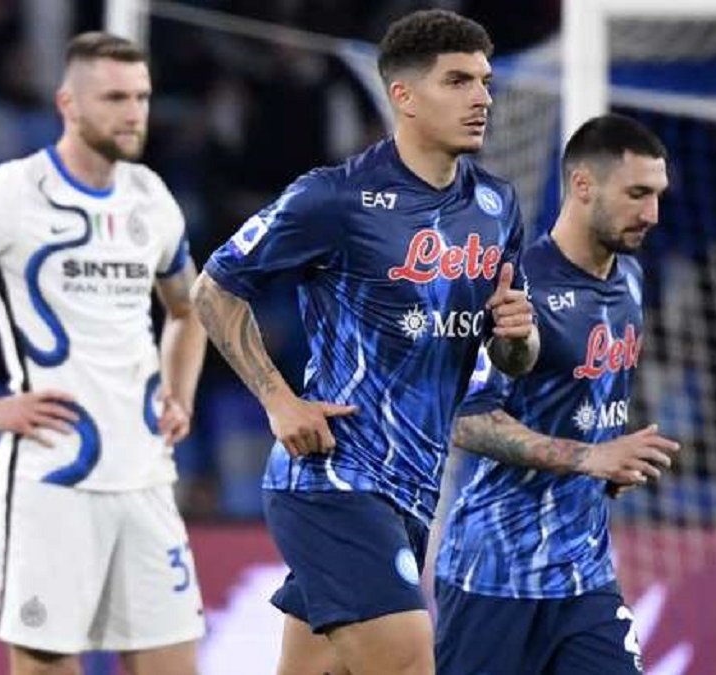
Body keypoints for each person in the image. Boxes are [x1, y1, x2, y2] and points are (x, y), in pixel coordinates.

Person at [192, 9, 539, 675]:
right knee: (409, 662)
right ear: (403, 96)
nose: (482, 99)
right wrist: (278, 400)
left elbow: (508, 357)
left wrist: (518, 337)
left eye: (485, 82)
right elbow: (214, 289)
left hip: (414, 488)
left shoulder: (496, 207)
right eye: (458, 81)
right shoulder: (336, 197)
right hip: (335, 478)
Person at [0, 31, 207, 675]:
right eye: (114, 98)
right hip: (53, 481)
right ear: (68, 104)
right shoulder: (16, 191)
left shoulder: (151, 196)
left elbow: (189, 310)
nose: (134, 113)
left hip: (146, 477)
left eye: (141, 97)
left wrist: (180, 393)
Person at [435, 114, 680, 675]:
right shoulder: (516, 288)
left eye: (658, 195)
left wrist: (612, 464)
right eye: (637, 194)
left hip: (584, 576)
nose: (652, 214)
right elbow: (467, 421)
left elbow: (579, 406)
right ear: (582, 185)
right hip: (494, 576)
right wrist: (589, 457)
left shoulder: (631, 279)